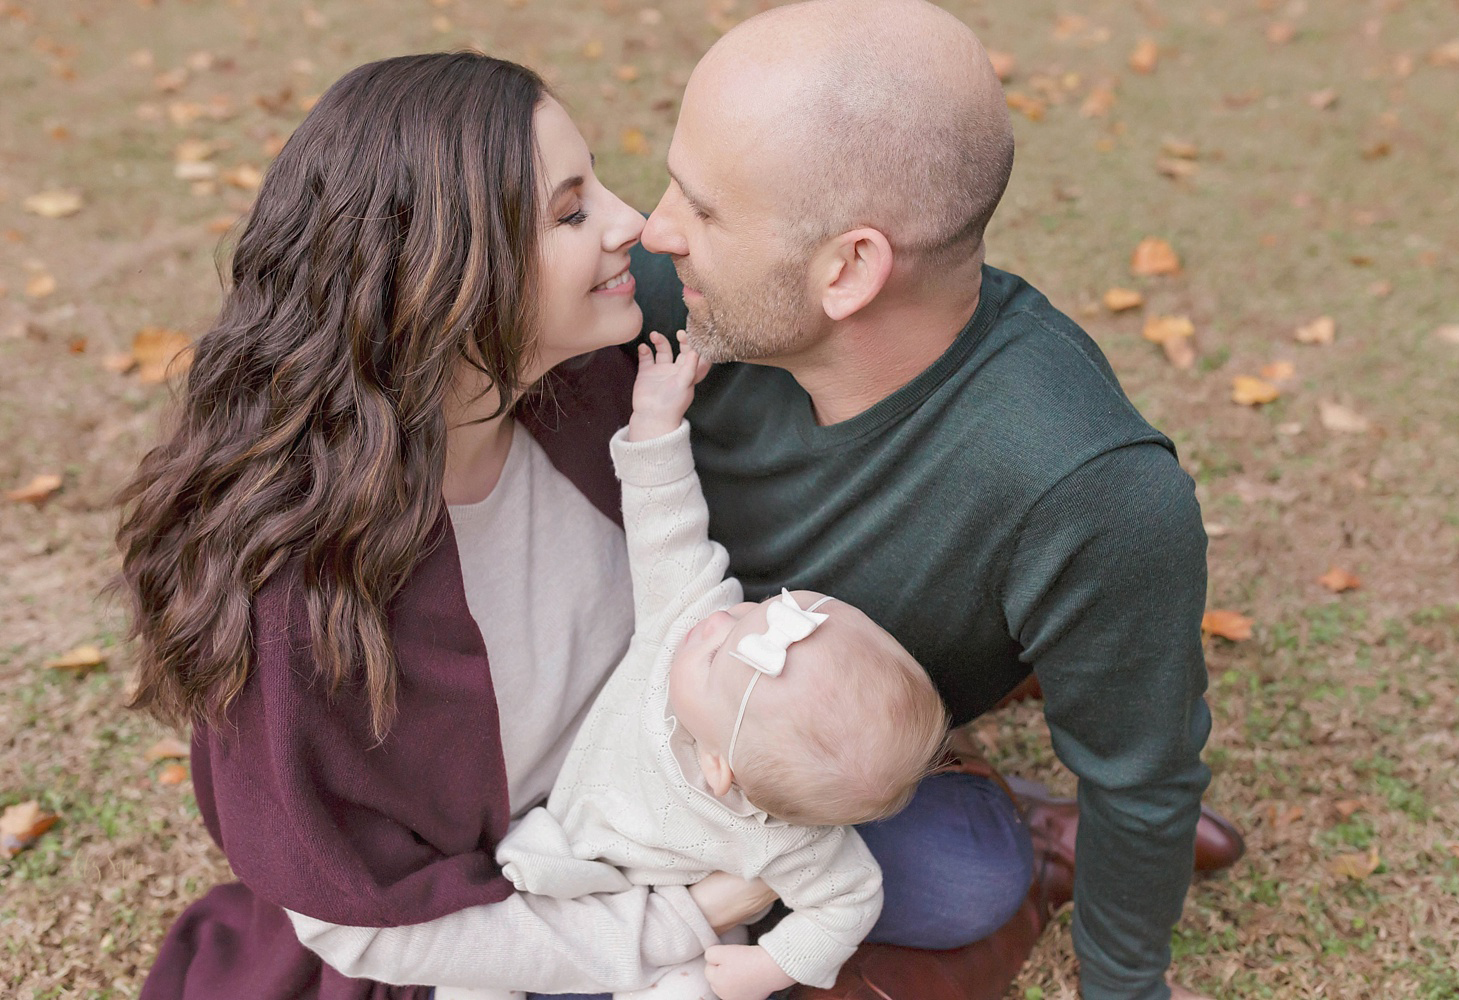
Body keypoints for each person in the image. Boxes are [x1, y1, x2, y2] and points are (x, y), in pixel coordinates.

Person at [117, 53, 777, 1000]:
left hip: (640, 832)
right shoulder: (298, 598)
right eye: (570, 209)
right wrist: (688, 917)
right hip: (469, 946)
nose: (633, 222)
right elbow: (366, 928)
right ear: (441, 276)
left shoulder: (596, 394)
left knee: (952, 874)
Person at [624, 1, 1247, 997]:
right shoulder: (655, 292)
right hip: (605, 715)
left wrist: (1123, 982)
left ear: (850, 268)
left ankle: (1018, 834)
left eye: (702, 210)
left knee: (962, 880)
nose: (652, 228)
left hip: (793, 762)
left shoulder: (1091, 488)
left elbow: (1141, 778)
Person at [481, 333, 948, 1000]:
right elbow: (665, 526)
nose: (718, 621)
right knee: (496, 946)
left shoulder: (794, 844)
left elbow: (850, 899)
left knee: (688, 988)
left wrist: (774, 965)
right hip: (562, 852)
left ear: (719, 766)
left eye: (713, 654)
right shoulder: (688, 624)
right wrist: (655, 423)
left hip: (681, 909)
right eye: (756, 611)